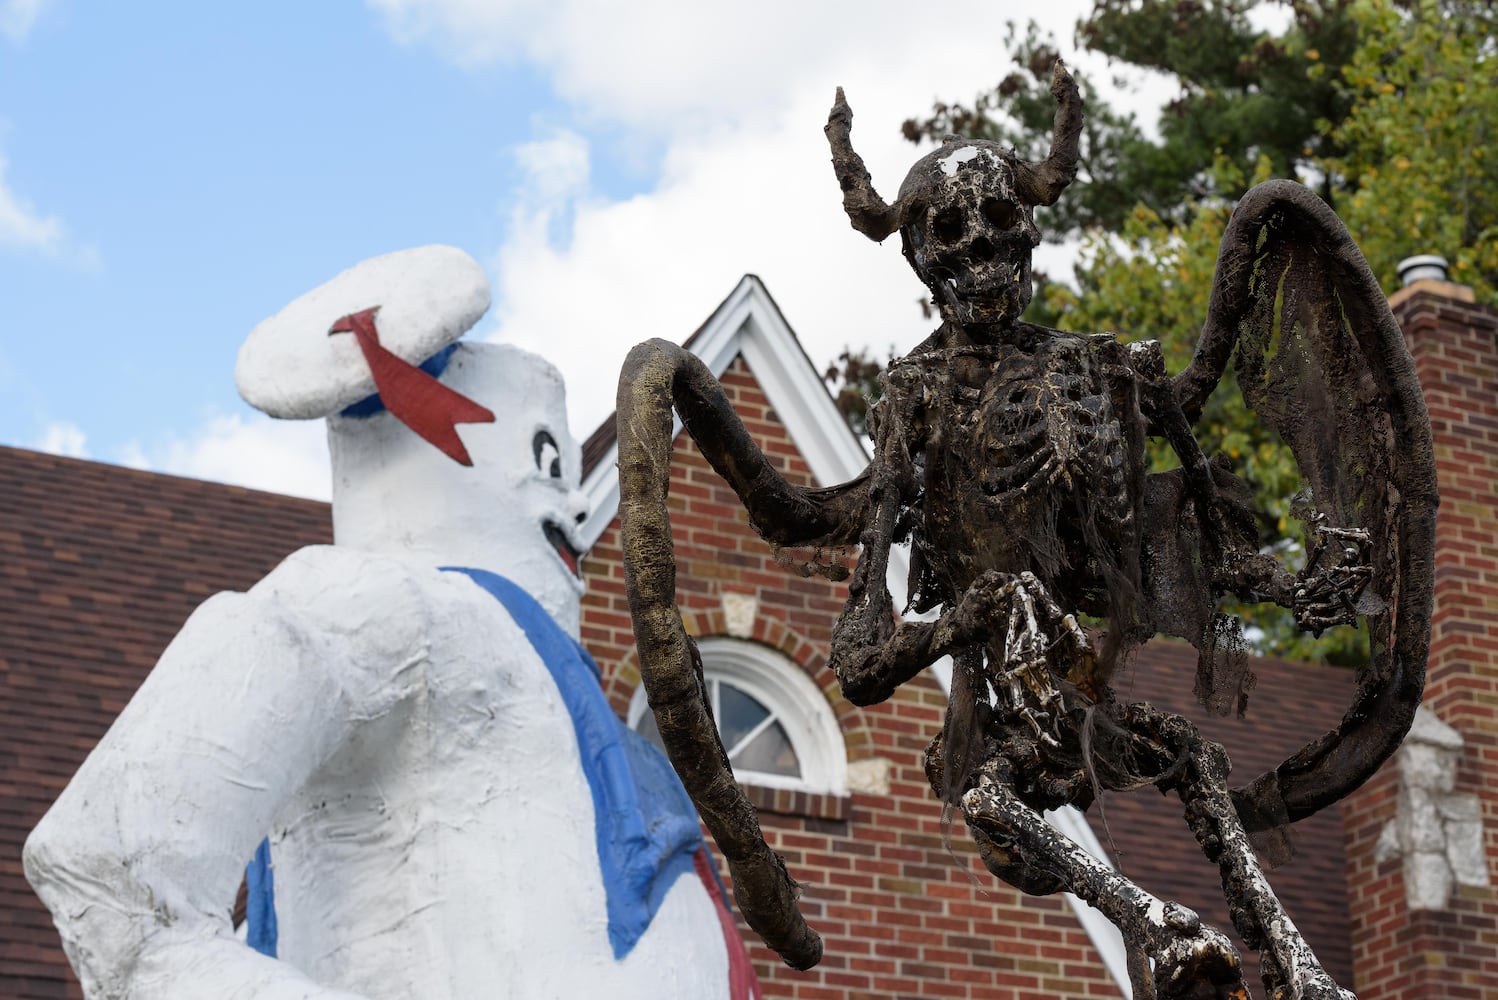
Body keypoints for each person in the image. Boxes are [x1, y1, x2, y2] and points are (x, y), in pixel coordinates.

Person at [25, 247, 758, 1000]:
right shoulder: (390, 607)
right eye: (546, 463)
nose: (573, 510)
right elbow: (108, 873)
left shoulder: (559, 706)